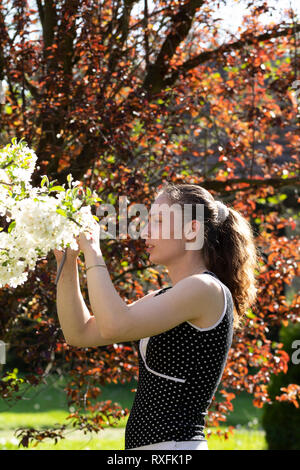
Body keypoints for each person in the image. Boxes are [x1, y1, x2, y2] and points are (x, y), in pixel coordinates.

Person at [54, 182, 259, 450]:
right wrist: (66, 262)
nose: (146, 232)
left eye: (158, 221)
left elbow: (115, 324)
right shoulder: (170, 295)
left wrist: (93, 251)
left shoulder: (205, 289)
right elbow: (78, 333)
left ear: (192, 230)